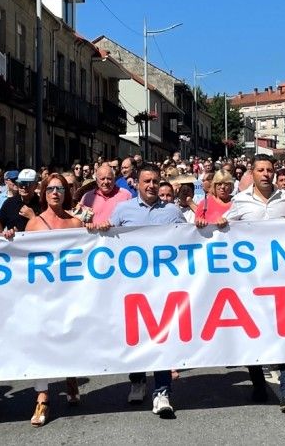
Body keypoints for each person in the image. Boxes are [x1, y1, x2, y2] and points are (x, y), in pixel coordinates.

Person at [212, 155, 285, 413]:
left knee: (283, 331)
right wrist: (218, 224)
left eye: (269, 170)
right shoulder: (240, 201)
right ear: (252, 173)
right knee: (254, 331)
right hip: (250, 280)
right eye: (261, 170)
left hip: (281, 278)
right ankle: (257, 381)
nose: (266, 174)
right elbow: (225, 229)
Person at [97, 164, 186, 417]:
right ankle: (137, 380)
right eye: (146, 181)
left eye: (155, 182)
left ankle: (162, 391)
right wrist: (102, 229)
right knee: (136, 333)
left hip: (161, 286)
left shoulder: (171, 211)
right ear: (137, 183)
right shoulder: (123, 210)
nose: (151, 186)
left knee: (161, 336)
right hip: (131, 285)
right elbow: (106, 239)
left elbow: (189, 239)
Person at [24, 173, 84, 425]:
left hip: (69, 294)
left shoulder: (76, 223)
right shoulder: (34, 225)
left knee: (69, 338)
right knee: (42, 343)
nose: (55, 193)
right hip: (42, 295)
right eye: (50, 188)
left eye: (60, 188)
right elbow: (22, 258)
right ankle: (43, 397)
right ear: (44, 193)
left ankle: (71, 378)